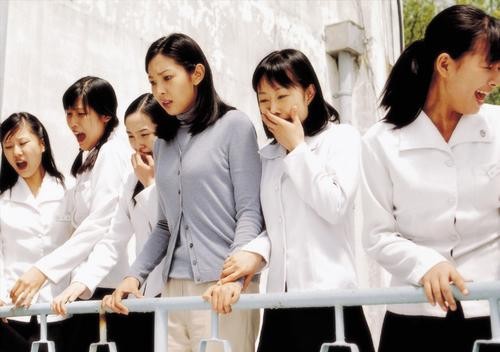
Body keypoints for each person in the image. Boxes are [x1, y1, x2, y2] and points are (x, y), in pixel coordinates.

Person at [103, 33, 263, 352]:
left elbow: (250, 212)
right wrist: (135, 276)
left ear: (197, 74)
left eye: (167, 78)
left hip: (222, 288)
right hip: (172, 289)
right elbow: (166, 225)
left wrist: (232, 278)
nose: (159, 91)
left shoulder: (235, 126)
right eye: (152, 82)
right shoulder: (163, 143)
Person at [209, 49, 375, 352]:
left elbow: (334, 206)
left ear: (309, 92)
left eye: (282, 96)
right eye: (263, 100)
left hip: (330, 300)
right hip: (280, 305)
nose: (273, 109)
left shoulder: (342, 139)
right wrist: (253, 254)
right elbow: (275, 227)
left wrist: (297, 148)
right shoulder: (267, 156)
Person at [360, 5, 499, 352]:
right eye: (488, 67)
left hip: (491, 309)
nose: (496, 80)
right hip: (413, 318)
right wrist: (426, 264)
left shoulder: (497, 129)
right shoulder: (381, 142)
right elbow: (378, 236)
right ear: (445, 65)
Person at [10, 77, 132, 352]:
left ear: (105, 116)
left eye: (81, 114)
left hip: (107, 287)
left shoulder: (111, 153)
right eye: (68, 114)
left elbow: (99, 223)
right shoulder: (87, 159)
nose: (73, 122)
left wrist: (44, 270)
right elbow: (64, 226)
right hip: (86, 287)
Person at [51, 93, 167, 352]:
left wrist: (150, 184)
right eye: (130, 136)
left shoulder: (173, 172)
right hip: (140, 294)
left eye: (145, 134)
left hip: (170, 291)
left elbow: (167, 226)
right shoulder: (131, 179)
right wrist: (82, 282)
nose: (138, 144)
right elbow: (114, 237)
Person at [0, 113, 71, 352]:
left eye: (22, 143)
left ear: (42, 143)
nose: (16, 152)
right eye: (8, 147)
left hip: (60, 310)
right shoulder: (3, 200)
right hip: (12, 313)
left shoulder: (68, 190)